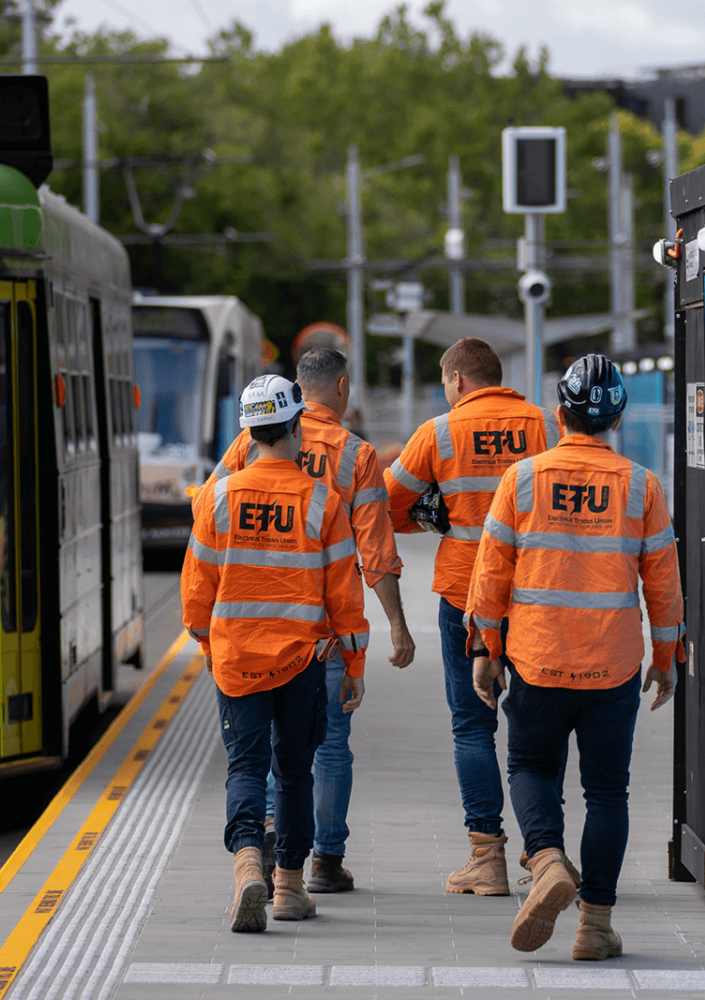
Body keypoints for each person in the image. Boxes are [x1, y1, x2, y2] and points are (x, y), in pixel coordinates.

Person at [464, 353, 684, 960]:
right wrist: (666, 656)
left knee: (531, 769)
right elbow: (664, 585)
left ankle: (547, 860)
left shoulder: (523, 479)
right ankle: (595, 926)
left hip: (536, 659)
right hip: (612, 665)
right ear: (617, 419)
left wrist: (485, 648)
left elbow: (490, 576)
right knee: (608, 791)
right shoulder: (643, 486)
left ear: (559, 412)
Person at [207, 347, 415, 894]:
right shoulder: (356, 456)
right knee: (325, 746)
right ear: (342, 387)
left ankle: (267, 845)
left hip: (246, 634)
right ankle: (320, 861)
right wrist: (394, 625)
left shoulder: (244, 447)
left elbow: (208, 518)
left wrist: (207, 637)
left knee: (254, 757)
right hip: (320, 633)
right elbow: (374, 551)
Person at [181, 374, 369, 933]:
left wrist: (206, 642)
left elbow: (196, 589)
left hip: (238, 660)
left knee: (245, 765)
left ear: (248, 432)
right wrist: (353, 664)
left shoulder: (216, 497)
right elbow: (344, 595)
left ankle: (246, 869)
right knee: (293, 771)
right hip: (302, 662)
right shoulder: (321, 500)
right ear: (295, 429)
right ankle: (288, 887)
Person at [384, 336, 559, 895]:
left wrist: (433, 523)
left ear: (458, 380)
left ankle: (487, 859)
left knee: (472, 725)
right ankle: (545, 851)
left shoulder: (438, 433)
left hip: (464, 593)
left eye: (443, 382)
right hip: (536, 594)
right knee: (537, 727)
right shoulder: (542, 426)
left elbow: (388, 505)